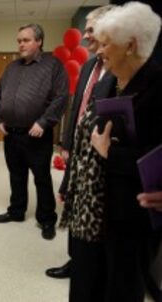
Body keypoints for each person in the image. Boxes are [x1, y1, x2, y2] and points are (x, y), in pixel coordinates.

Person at [60, 2, 162, 301]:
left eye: (105, 44)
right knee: (83, 288)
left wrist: (110, 153)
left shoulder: (157, 88)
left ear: (130, 45)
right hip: (89, 212)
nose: (98, 51)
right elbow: (83, 142)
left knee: (118, 289)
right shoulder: (107, 81)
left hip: (129, 219)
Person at [46, 5, 115, 279]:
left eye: (90, 29)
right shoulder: (88, 65)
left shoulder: (119, 70)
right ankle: (75, 261)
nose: (85, 36)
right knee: (72, 205)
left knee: (92, 214)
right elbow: (77, 108)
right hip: (77, 149)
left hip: (99, 156)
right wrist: (66, 142)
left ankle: (89, 266)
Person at [0, 23, 68, 240]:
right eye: (19, 41)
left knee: (41, 177)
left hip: (37, 135)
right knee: (16, 175)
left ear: (39, 41)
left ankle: (46, 218)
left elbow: (61, 98)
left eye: (25, 40)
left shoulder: (53, 65)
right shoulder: (11, 68)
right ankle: (16, 211)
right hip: (11, 134)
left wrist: (44, 122)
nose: (21, 44)